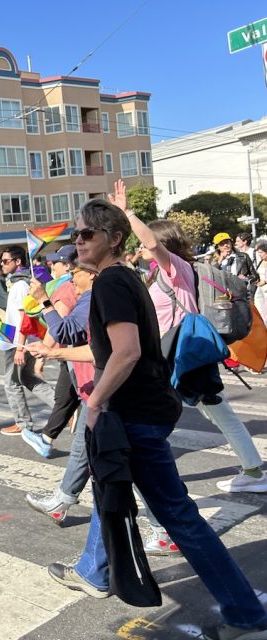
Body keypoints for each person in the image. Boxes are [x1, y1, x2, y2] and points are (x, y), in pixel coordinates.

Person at [46, 197, 267, 640]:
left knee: (178, 516)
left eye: (86, 233)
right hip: (145, 409)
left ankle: (247, 614)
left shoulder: (111, 283)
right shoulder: (124, 279)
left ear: (113, 239)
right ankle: (95, 571)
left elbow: (124, 352)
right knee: (112, 492)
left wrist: (94, 403)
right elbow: (113, 348)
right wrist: (58, 354)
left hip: (133, 413)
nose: (78, 241)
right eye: (76, 235)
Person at [112, 181, 266, 501]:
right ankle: (253, 471)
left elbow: (152, 244)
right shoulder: (168, 272)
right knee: (216, 413)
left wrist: (127, 213)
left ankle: (165, 496)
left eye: (144, 242)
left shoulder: (176, 269)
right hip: (184, 356)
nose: (140, 248)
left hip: (178, 357)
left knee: (153, 424)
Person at [20, 245, 81, 457]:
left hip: (74, 353)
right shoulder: (72, 284)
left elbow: (59, 325)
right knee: (67, 397)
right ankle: (47, 438)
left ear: (68, 265)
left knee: (73, 398)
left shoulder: (66, 288)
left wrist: (44, 353)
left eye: (55, 262)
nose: (51, 265)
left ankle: (51, 439)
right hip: (75, 352)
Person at [0, 245, 55, 436]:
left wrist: (19, 348)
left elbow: (25, 317)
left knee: (11, 383)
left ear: (18, 261)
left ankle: (23, 424)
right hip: (19, 339)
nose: (2, 264)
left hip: (19, 341)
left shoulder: (21, 285)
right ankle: (64, 408)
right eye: (2, 261)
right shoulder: (18, 282)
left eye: (6, 261)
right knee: (28, 378)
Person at [254, 240, 267, 324]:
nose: (259, 254)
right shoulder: (261, 261)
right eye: (258, 252)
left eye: (261, 252)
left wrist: (265, 281)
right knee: (259, 308)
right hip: (260, 289)